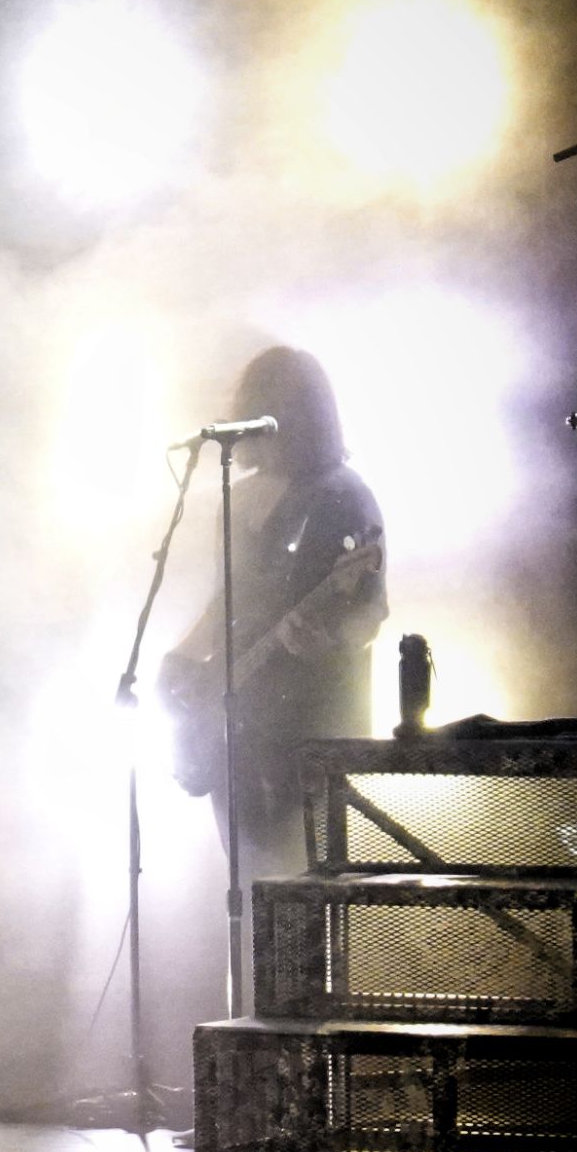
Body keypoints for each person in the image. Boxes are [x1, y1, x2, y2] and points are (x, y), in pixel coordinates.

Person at [160, 346, 388, 887]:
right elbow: (226, 600)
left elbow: (371, 612)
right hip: (238, 727)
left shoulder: (344, 496)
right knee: (249, 887)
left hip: (311, 729)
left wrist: (327, 644)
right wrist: (182, 658)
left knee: (306, 891)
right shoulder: (234, 499)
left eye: (281, 407)